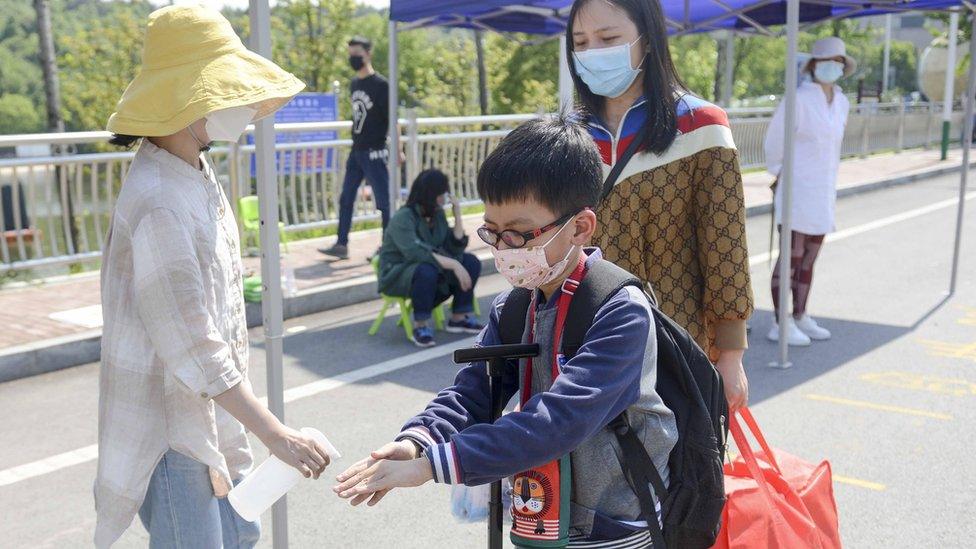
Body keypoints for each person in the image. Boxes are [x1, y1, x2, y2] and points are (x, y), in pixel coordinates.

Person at [334, 115, 678, 548]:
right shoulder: (516, 304)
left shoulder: (620, 310)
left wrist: (434, 465)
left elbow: (558, 421)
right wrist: (416, 442)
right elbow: (473, 392)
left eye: (517, 235)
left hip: (614, 525)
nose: (502, 250)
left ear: (580, 227)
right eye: (492, 232)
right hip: (539, 516)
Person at [95, 6, 331, 547]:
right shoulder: (160, 200)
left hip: (206, 421)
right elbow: (195, 343)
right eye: (227, 90)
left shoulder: (191, 173)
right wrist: (275, 433)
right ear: (190, 99)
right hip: (173, 435)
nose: (242, 105)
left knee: (236, 535)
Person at [567, 0, 753, 412]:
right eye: (580, 42)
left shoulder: (702, 126)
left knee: (680, 471)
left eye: (608, 39)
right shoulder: (568, 136)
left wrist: (732, 355)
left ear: (647, 40)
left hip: (679, 346)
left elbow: (726, 247)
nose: (593, 52)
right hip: (583, 352)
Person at [764, 37, 853, 346]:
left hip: (823, 191)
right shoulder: (798, 99)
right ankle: (780, 321)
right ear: (815, 65)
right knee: (790, 257)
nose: (834, 66)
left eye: (839, 61)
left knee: (809, 260)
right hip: (796, 191)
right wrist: (781, 175)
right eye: (828, 60)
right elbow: (774, 144)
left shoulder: (842, 102)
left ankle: (801, 314)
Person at [377, 169, 484, 347]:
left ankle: (458, 317)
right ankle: (421, 326)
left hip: (430, 268)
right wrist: (454, 265)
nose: (445, 197)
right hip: (399, 273)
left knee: (470, 261)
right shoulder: (403, 217)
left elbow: (453, 245)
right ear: (430, 194)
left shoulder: (437, 214)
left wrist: (457, 213)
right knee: (426, 270)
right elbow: (414, 253)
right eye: (442, 192)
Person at [320, 35, 391, 261]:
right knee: (346, 198)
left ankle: (388, 246)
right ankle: (341, 244)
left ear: (368, 54)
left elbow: (393, 119)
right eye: (350, 55)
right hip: (357, 150)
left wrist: (398, 149)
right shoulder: (354, 83)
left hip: (375, 150)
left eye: (357, 54)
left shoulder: (381, 85)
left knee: (384, 202)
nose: (353, 59)